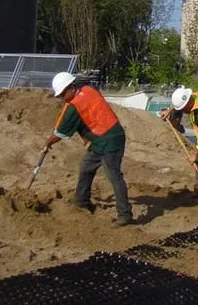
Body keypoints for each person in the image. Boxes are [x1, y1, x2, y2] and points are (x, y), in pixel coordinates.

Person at [43, 72, 133, 226]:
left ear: (71, 88)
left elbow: (61, 133)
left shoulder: (76, 105)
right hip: (100, 139)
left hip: (111, 139)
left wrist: (48, 143)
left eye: (62, 94)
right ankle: (82, 202)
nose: (61, 98)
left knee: (113, 175)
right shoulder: (89, 90)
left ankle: (125, 214)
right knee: (86, 167)